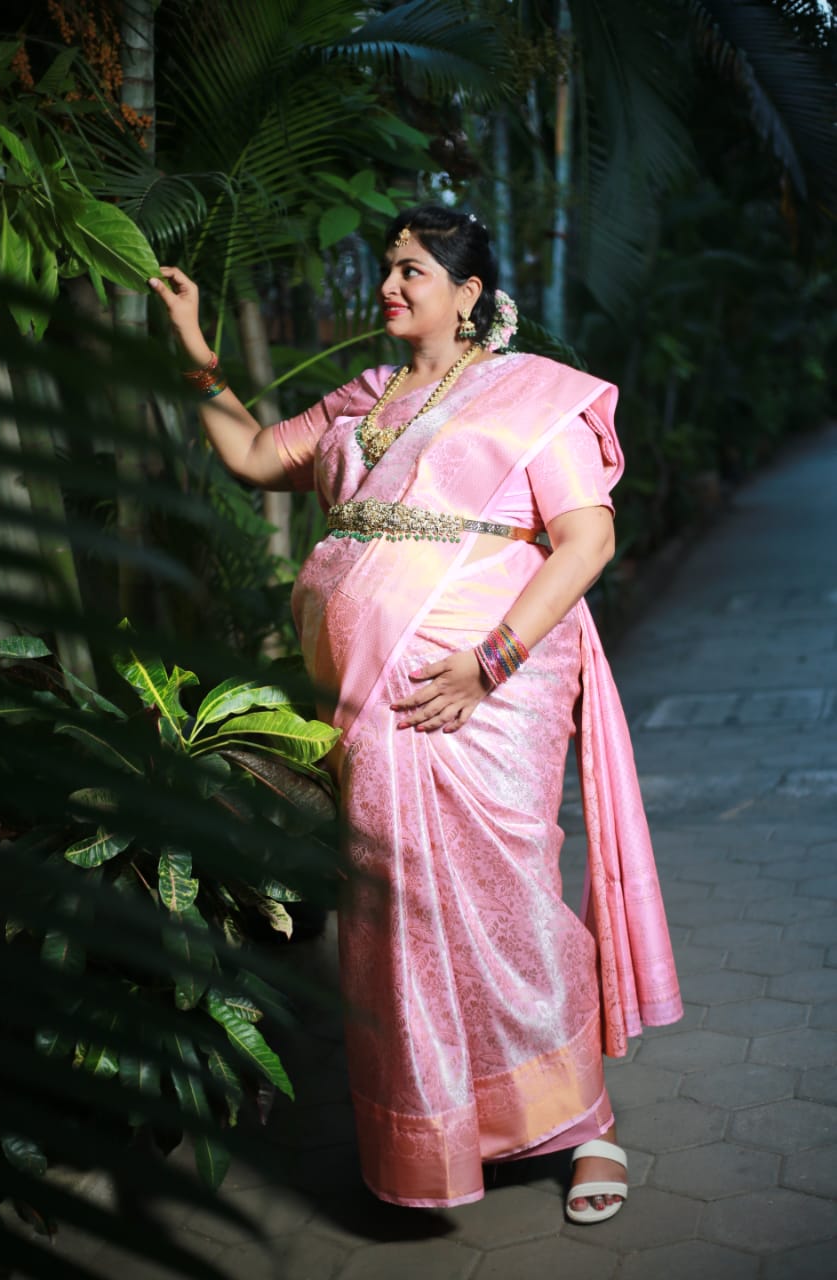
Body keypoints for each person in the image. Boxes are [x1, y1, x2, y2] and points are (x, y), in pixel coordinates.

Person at [149, 204, 683, 1223]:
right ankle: (444, 1127)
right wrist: (193, 353)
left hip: (484, 693)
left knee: (508, 903)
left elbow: (586, 540)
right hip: (369, 704)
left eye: (412, 271)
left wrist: (488, 663)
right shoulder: (362, 399)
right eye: (388, 268)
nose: (390, 286)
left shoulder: (531, 396)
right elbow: (255, 456)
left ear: (468, 292)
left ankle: (586, 1122)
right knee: (401, 919)